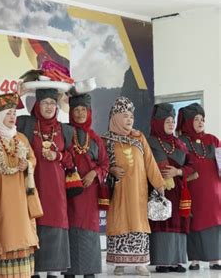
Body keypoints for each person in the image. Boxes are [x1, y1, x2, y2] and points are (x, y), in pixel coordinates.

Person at [0, 93, 39, 277]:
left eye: (14, 114)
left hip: (20, 197)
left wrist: (27, 164)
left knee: (23, 236)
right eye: (8, 113)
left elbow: (32, 159)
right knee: (2, 233)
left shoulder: (21, 139)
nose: (13, 117)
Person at [102, 97, 165, 276]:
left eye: (131, 116)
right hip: (119, 193)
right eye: (125, 116)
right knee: (118, 222)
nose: (129, 120)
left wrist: (159, 184)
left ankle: (140, 264)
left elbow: (150, 163)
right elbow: (101, 163)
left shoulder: (139, 138)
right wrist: (112, 169)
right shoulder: (106, 140)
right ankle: (118, 263)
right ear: (115, 118)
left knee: (138, 222)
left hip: (138, 192)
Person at [17, 88, 76, 278]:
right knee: (33, 223)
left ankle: (53, 271)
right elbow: (6, 118)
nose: (49, 107)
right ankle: (33, 270)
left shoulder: (65, 129)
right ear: (37, 105)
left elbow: (71, 159)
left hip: (56, 188)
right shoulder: (26, 123)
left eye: (52, 103)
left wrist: (57, 155)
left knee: (56, 222)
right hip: (32, 185)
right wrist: (17, 94)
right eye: (45, 103)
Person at [65, 94, 109, 278]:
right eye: (77, 109)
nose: (80, 113)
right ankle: (70, 271)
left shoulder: (96, 139)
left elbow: (105, 164)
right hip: (70, 191)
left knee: (90, 229)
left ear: (89, 112)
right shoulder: (65, 133)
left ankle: (89, 271)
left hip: (90, 192)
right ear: (71, 112)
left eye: (84, 109)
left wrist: (94, 173)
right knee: (71, 227)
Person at [147, 103, 194, 273]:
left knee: (178, 223)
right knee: (161, 222)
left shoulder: (180, 144)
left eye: (173, 121)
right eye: (166, 121)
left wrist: (178, 171)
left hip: (178, 192)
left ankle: (177, 261)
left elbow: (192, 166)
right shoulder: (149, 142)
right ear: (158, 122)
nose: (171, 124)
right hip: (158, 191)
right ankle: (162, 261)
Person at [177, 103, 221, 270]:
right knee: (193, 221)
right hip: (192, 188)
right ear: (188, 121)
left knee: (214, 221)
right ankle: (194, 259)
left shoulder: (212, 139)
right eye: (196, 119)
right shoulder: (181, 141)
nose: (200, 122)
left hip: (213, 190)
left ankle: (215, 259)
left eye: (202, 119)